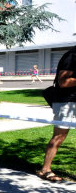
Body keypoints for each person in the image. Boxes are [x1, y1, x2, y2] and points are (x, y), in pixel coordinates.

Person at [37, 46, 76, 182]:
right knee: (59, 137)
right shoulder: (71, 56)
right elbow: (63, 81)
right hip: (66, 103)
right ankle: (45, 170)